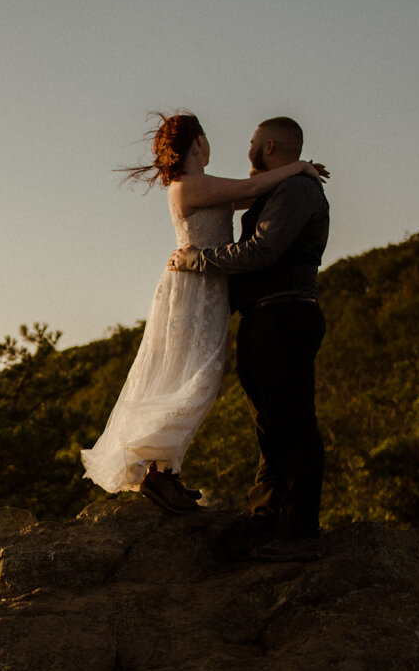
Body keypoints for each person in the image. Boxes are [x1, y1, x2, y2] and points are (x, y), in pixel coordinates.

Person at [81, 111, 327, 518]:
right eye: (208, 137)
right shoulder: (187, 185)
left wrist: (293, 174)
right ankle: (155, 469)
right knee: (189, 375)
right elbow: (251, 187)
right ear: (197, 143)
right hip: (193, 284)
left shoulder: (208, 187)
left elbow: (252, 194)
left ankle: (164, 468)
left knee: (198, 376)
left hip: (211, 285)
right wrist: (298, 167)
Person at [168, 115, 331, 562]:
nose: (248, 149)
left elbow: (261, 251)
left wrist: (199, 260)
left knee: (293, 422)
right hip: (264, 317)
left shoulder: (298, 191)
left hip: (287, 313)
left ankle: (300, 532)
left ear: (272, 147)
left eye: (254, 142)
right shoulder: (281, 185)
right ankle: (266, 516)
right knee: (269, 424)